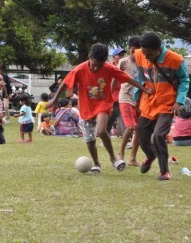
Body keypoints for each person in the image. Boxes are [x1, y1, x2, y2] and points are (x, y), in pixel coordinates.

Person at [46, 43, 148, 174]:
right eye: (94, 64)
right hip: (86, 108)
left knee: (101, 130)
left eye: (99, 65)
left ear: (104, 62)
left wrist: (144, 88)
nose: (95, 68)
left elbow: (128, 78)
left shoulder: (109, 68)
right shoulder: (80, 69)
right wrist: (54, 100)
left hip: (103, 104)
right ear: (89, 57)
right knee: (90, 140)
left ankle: (113, 158)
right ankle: (96, 163)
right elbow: (65, 83)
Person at [135, 32, 190, 181]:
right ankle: (151, 155)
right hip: (148, 101)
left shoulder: (175, 59)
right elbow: (139, 77)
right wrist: (137, 95)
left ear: (158, 49)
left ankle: (164, 171)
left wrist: (179, 101)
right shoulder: (139, 54)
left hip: (167, 103)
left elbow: (185, 80)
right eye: (144, 53)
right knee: (141, 132)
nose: (146, 57)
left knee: (159, 135)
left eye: (150, 54)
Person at [117, 36, 141, 166]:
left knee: (138, 129)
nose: (134, 54)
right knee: (130, 126)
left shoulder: (144, 63)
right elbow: (114, 78)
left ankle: (132, 158)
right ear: (129, 49)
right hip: (125, 97)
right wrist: (110, 97)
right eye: (132, 51)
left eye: (137, 51)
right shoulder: (123, 62)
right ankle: (120, 154)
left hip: (138, 100)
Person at [107, 47, 127, 136]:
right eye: (119, 55)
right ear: (114, 57)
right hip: (112, 98)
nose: (122, 57)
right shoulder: (109, 67)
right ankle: (104, 136)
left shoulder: (126, 68)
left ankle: (128, 139)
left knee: (125, 120)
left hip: (124, 97)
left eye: (123, 55)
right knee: (110, 119)